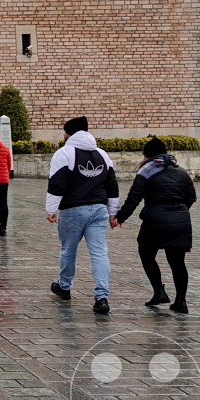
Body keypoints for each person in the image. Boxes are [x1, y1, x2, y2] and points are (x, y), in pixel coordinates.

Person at [47, 116, 120, 315]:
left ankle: (64, 286)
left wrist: (51, 209)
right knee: (99, 252)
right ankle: (102, 297)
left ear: (69, 133)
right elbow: (112, 185)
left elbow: (57, 184)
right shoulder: (102, 155)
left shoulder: (64, 153)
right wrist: (114, 212)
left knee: (69, 250)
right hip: (98, 210)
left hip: (72, 210)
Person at [113, 137, 195, 313]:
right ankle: (181, 302)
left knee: (146, 254)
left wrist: (120, 217)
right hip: (181, 223)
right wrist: (179, 211)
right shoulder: (181, 171)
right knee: (178, 262)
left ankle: (159, 292)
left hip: (154, 222)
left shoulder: (146, 172)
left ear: (147, 154)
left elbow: (134, 198)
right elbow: (191, 197)